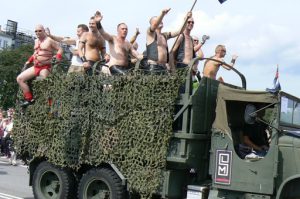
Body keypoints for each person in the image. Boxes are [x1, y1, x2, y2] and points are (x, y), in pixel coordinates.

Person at [16, 24, 63, 107]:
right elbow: (35, 53)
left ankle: (51, 103)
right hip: (36, 66)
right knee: (20, 79)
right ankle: (29, 99)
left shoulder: (49, 40)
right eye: (36, 31)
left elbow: (60, 49)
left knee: (44, 81)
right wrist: (29, 61)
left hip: (45, 66)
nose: (37, 32)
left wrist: (58, 57)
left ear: (44, 31)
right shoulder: (36, 41)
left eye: (40, 30)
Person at [95, 11, 141, 75]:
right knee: (127, 77)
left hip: (126, 68)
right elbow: (103, 33)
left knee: (136, 77)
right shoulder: (113, 39)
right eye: (122, 29)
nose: (125, 30)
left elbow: (136, 54)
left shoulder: (128, 43)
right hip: (115, 67)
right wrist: (98, 23)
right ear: (118, 30)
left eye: (126, 29)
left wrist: (145, 57)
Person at [146, 8, 192, 73]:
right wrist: (162, 14)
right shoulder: (150, 33)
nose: (160, 21)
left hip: (164, 68)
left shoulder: (165, 35)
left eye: (161, 20)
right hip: (153, 67)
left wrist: (186, 19)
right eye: (158, 20)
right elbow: (155, 25)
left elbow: (180, 31)